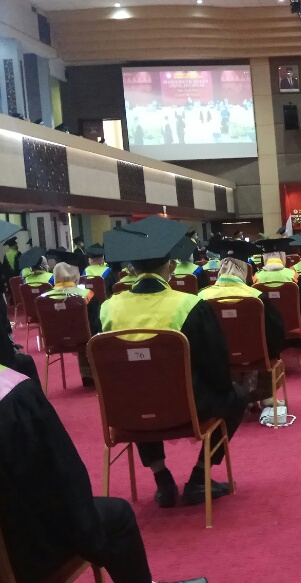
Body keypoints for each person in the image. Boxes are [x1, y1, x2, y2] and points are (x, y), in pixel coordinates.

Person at [0, 207, 205, 583]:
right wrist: (88, 535)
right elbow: (62, 491)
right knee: (115, 517)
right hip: (6, 559)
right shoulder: (2, 393)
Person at [100, 216, 248, 509]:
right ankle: (200, 477)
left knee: (136, 385)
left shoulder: (107, 308)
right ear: (170, 266)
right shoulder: (190, 305)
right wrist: (221, 389)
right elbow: (215, 365)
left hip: (125, 410)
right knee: (237, 395)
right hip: (186, 408)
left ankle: (162, 479)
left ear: (132, 269)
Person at [198, 241, 287, 395]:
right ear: (245, 268)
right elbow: (276, 333)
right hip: (255, 358)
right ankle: (260, 394)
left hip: (216, 362)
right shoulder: (256, 297)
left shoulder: (201, 297)